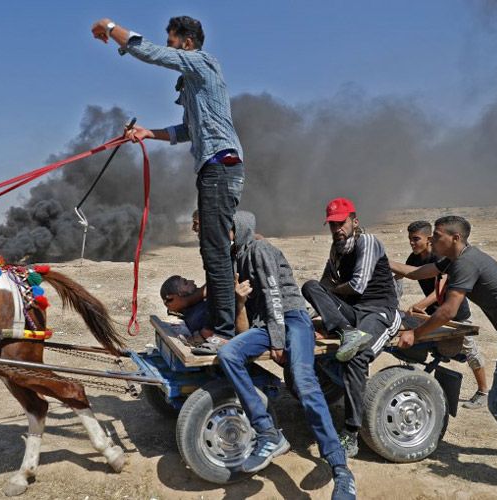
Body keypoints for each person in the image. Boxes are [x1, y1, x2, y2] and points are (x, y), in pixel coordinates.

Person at [92, 16, 244, 352]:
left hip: (221, 163)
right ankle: (219, 325)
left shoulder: (202, 62)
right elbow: (187, 130)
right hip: (211, 166)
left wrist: (109, 26)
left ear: (187, 42)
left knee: (216, 250)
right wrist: (150, 133)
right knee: (211, 248)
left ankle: (224, 332)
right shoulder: (193, 85)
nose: (170, 48)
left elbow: (151, 54)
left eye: (173, 41)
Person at [215, 211, 356, 499]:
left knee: (305, 384)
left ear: (239, 228)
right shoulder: (238, 256)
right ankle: (267, 432)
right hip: (267, 325)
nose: (224, 236)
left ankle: (341, 470)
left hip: (291, 319)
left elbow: (273, 294)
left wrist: (278, 339)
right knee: (229, 353)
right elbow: (251, 310)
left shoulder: (260, 249)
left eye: (228, 230)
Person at [392, 216, 497, 440]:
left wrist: (415, 333)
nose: (433, 241)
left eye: (437, 236)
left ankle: (482, 390)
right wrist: (381, 261)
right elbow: (417, 272)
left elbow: (448, 310)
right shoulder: (453, 259)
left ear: (455, 238)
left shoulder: (465, 263)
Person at [301, 198, 401, 457]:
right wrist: (316, 313)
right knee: (309, 286)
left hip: (379, 311)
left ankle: (351, 432)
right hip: (352, 314)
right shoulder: (336, 250)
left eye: (341, 223)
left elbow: (356, 285)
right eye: (332, 225)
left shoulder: (367, 242)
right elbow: (321, 286)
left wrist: (330, 296)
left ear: (354, 222)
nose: (337, 229)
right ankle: (347, 331)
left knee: (356, 357)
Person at [397, 220, 488, 409]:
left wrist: (419, 304)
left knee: (470, 352)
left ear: (429, 239)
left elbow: (441, 287)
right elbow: (403, 274)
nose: (412, 243)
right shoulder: (414, 258)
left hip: (454, 313)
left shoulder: (439, 258)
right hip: (432, 314)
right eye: (410, 240)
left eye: (416, 239)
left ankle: (483, 391)